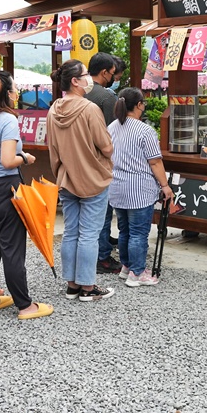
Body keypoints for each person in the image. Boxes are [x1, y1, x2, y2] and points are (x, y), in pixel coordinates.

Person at [0, 70, 53, 320]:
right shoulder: (7, 120)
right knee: (13, 248)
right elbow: (8, 161)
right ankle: (24, 304)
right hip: (5, 189)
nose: (17, 93)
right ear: (7, 94)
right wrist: (25, 158)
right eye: (15, 89)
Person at [47, 59, 115, 301]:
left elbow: (52, 147)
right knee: (89, 234)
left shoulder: (53, 109)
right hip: (92, 177)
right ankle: (88, 287)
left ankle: (72, 285)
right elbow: (106, 148)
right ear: (75, 81)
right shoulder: (89, 109)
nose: (89, 79)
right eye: (85, 75)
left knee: (71, 232)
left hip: (66, 177)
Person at [107, 88, 173, 287]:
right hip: (138, 188)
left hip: (116, 186)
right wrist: (165, 186)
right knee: (138, 232)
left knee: (124, 229)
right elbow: (155, 162)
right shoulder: (145, 131)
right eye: (143, 102)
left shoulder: (112, 127)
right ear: (138, 105)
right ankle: (137, 273)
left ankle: (127, 266)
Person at [85, 52, 123, 275]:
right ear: (104, 72)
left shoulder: (78, 92)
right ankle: (102, 257)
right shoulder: (106, 98)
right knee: (102, 212)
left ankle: (89, 256)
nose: (113, 77)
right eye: (111, 73)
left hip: (77, 162)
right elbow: (113, 132)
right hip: (99, 161)